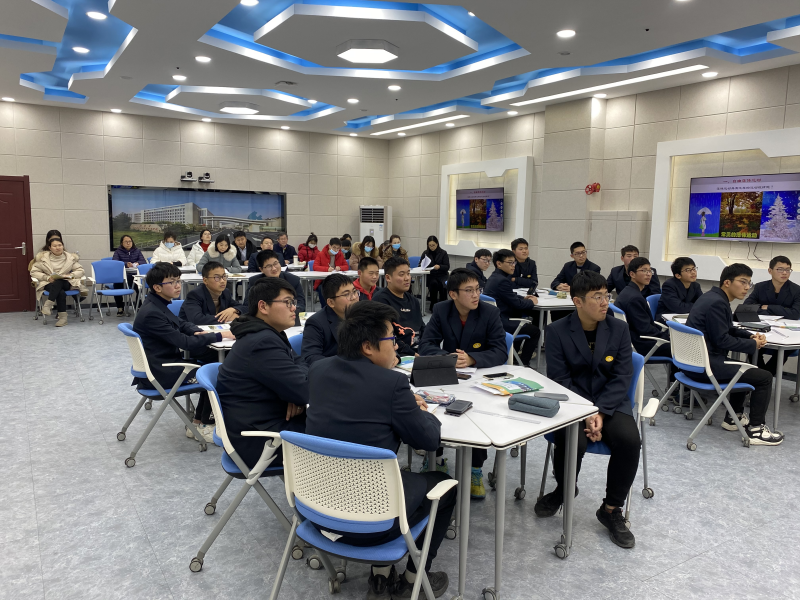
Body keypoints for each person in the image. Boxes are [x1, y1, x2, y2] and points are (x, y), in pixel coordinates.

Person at [305, 301, 455, 600]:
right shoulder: (393, 384)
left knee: (377, 477)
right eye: (391, 338)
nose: (397, 345)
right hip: (373, 522)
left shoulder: (318, 370)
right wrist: (417, 409)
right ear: (367, 347)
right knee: (444, 485)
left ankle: (380, 575)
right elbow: (429, 441)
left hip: (317, 512)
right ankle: (413, 579)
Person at [536, 270, 639, 549]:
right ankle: (564, 490)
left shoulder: (619, 328)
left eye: (607, 295)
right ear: (578, 301)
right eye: (597, 297)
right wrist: (586, 412)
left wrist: (600, 412)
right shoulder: (557, 331)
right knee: (572, 440)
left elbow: (622, 376)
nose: (605, 302)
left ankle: (611, 509)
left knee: (630, 440)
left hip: (611, 403)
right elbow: (560, 379)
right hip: (573, 403)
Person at [419, 268, 506, 499]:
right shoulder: (441, 310)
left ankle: (476, 469)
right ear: (453, 294)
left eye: (478, 289)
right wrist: (448, 357)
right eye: (469, 290)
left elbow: (500, 350)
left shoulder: (489, 312)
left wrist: (472, 358)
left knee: (478, 414)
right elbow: (426, 344)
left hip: (480, 378)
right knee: (433, 409)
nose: (476, 295)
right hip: (448, 377)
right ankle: (436, 460)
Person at [132, 263, 233, 441]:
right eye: (172, 282)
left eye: (178, 281)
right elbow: (184, 343)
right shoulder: (152, 313)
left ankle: (197, 423)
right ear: (157, 287)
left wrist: (198, 331)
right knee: (217, 374)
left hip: (163, 365)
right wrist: (219, 335)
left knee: (213, 365)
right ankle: (206, 425)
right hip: (162, 373)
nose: (178, 285)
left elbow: (181, 324)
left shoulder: (157, 304)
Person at [685, 263, 782, 444]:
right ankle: (756, 430)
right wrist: (753, 344)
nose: (747, 287)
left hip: (693, 362)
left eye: (749, 283)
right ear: (727, 282)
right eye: (743, 282)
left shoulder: (712, 297)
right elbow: (722, 340)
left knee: (745, 368)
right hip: (705, 366)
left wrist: (750, 336)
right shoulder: (717, 303)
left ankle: (733, 417)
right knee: (764, 377)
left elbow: (727, 329)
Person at [216, 278, 307, 468]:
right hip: (260, 440)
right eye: (287, 302)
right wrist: (296, 394)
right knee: (345, 429)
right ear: (263, 306)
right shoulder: (262, 342)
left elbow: (300, 365)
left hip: (267, 421)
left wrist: (295, 394)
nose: (294, 308)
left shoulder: (268, 333)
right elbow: (305, 390)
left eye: (294, 302)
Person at [744, 256, 800, 374]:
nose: (784, 273)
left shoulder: (796, 290)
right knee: (752, 344)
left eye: (788, 270)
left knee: (784, 349)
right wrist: (783, 311)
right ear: (770, 271)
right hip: (763, 329)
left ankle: (765, 375)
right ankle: (762, 375)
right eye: (780, 269)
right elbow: (747, 307)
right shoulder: (760, 287)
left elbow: (795, 314)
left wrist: (769, 307)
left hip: (786, 332)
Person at [484, 249, 540, 366]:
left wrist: (523, 298)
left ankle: (515, 359)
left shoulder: (494, 277)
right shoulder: (502, 280)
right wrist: (531, 302)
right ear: (499, 264)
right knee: (535, 331)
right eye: (510, 262)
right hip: (501, 322)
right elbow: (517, 304)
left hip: (492, 320)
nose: (513, 265)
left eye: (514, 262)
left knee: (522, 321)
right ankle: (524, 364)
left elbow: (509, 296)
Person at [614, 257, 671, 359]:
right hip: (642, 344)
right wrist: (666, 337)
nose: (648, 274)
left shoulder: (628, 291)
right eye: (644, 271)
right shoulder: (634, 298)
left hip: (637, 339)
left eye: (650, 271)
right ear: (632, 274)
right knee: (683, 349)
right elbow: (645, 329)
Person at [302, 274, 359, 364]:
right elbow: (310, 357)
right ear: (331, 302)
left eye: (354, 291)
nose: (354, 297)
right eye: (347, 294)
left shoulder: (363, 315)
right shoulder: (316, 323)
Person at [373, 256, 424, 356]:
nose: (407, 278)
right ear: (388, 278)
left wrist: (427, 347)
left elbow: (422, 328)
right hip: (398, 354)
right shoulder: (380, 300)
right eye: (401, 274)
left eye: (408, 273)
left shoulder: (413, 300)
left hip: (420, 351)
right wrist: (413, 354)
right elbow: (387, 337)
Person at [30, 238, 85, 327]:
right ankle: (63, 319)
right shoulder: (43, 258)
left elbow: (80, 270)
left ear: (63, 246)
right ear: (50, 248)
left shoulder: (70, 258)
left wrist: (70, 275)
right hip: (49, 282)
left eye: (60, 245)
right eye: (54, 246)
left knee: (59, 280)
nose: (57, 247)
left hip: (66, 282)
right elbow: (34, 272)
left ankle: (48, 305)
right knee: (60, 292)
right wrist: (47, 277)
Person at [179, 261, 246, 325]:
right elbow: (197, 320)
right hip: (190, 331)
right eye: (217, 277)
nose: (222, 281)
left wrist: (233, 309)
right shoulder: (195, 295)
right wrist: (227, 318)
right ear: (205, 280)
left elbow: (244, 308)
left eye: (224, 276)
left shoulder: (225, 292)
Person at [250, 250, 306, 321]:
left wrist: (288, 311)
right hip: (264, 319)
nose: (274, 268)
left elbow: (301, 303)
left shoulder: (293, 280)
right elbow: (248, 305)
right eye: (269, 266)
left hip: (288, 318)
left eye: (275, 263)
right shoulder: (255, 282)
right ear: (261, 269)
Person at [655, 257, 703, 321]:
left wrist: (697, 306)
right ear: (678, 275)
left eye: (694, 269)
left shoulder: (696, 285)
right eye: (688, 270)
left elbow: (702, 304)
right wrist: (696, 306)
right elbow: (679, 308)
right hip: (667, 318)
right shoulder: (669, 285)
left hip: (686, 317)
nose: (693, 272)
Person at [111, 234, 146, 316]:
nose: (128, 243)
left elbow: (143, 261)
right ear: (122, 243)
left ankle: (139, 307)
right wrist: (126, 264)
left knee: (140, 287)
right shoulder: (118, 252)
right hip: (122, 275)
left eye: (130, 241)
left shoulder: (137, 251)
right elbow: (115, 263)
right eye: (126, 242)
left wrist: (138, 263)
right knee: (117, 285)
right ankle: (120, 308)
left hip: (134, 275)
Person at [420, 235, 450, 309]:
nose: (431, 247)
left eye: (433, 245)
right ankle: (433, 305)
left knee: (443, 285)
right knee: (433, 284)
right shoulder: (425, 253)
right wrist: (424, 268)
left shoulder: (443, 253)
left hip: (442, 274)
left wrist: (439, 266)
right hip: (430, 275)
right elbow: (420, 265)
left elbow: (447, 266)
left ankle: (444, 306)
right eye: (430, 245)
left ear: (437, 244)